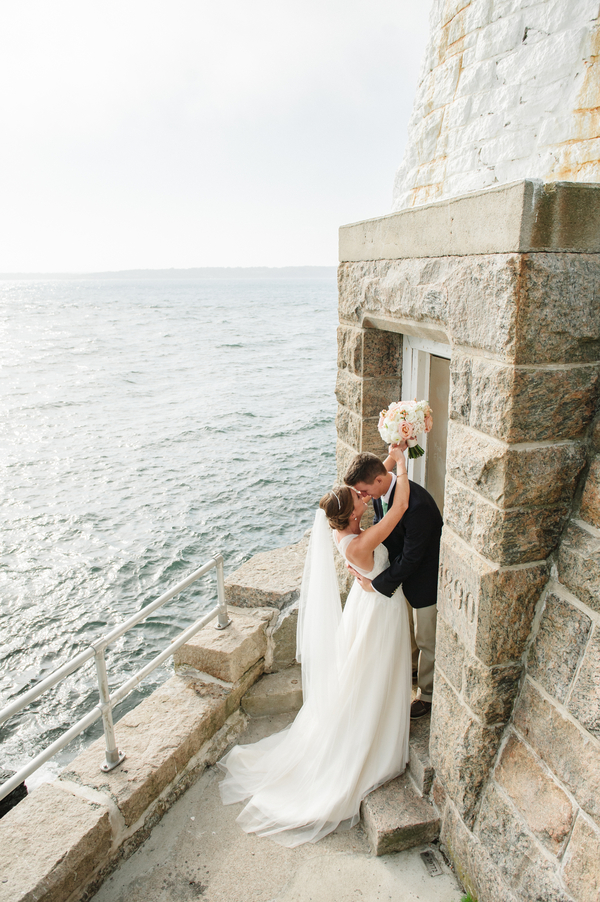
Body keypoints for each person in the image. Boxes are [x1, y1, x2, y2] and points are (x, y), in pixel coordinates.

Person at [218, 445, 412, 847]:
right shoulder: (358, 544)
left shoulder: (343, 527)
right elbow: (398, 509)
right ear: (355, 513)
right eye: (361, 498)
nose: (366, 498)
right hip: (379, 609)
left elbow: (366, 485)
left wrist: (393, 453)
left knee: (366, 672)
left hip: (368, 602)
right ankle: (373, 741)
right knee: (374, 672)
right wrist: (405, 471)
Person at [344, 451, 443, 719]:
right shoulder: (383, 493)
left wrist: (376, 584)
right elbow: (383, 526)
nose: (364, 496)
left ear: (378, 480)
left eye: (365, 490)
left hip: (424, 579)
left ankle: (428, 695)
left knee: (426, 639)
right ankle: (410, 671)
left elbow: (411, 559)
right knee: (409, 636)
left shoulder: (417, 504)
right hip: (401, 578)